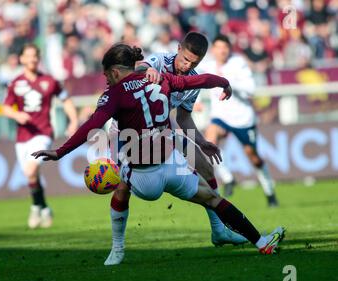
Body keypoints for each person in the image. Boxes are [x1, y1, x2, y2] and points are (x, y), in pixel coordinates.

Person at [32, 43, 285, 265]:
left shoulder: (114, 94)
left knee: (121, 185)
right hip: (172, 168)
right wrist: (224, 82)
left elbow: (91, 126)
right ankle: (261, 241)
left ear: (115, 71)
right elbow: (199, 80)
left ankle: (118, 249)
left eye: (107, 74)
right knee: (211, 198)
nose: (106, 79)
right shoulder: (163, 79)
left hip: (145, 178)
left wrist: (60, 152)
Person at [105, 32, 248, 266]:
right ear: (179, 47)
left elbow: (183, 117)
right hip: (126, 132)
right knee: (122, 187)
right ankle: (117, 248)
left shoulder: (193, 81)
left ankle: (219, 230)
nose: (187, 65)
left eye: (194, 63)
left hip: (161, 131)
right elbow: (138, 68)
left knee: (206, 168)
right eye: (185, 59)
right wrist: (144, 70)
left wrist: (200, 142)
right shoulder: (160, 61)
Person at [2, 43, 78, 229]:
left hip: (43, 133)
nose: (32, 59)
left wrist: (74, 121)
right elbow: (5, 107)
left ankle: (37, 207)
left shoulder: (50, 81)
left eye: (35, 55)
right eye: (28, 56)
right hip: (22, 137)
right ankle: (42, 207)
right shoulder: (16, 82)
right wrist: (16, 114)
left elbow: (66, 99)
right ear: (21, 59)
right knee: (32, 177)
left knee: (30, 169)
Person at [201, 34, 279, 206]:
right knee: (209, 141)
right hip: (220, 116)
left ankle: (269, 191)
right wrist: (197, 101)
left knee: (254, 158)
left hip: (242, 118)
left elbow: (251, 90)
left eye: (225, 47)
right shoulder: (207, 66)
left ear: (229, 49)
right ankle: (228, 179)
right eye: (219, 47)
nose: (222, 51)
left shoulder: (238, 64)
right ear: (213, 49)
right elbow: (193, 81)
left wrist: (226, 83)